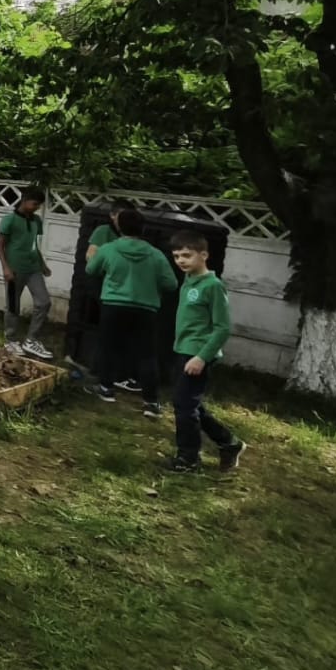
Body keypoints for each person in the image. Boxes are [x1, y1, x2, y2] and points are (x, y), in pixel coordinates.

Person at [169, 230, 246, 473]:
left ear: (203, 255)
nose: (181, 261)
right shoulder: (188, 280)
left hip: (198, 355)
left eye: (186, 255)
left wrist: (202, 357)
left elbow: (222, 328)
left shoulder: (213, 286)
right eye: (176, 256)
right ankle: (229, 442)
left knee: (184, 406)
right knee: (188, 403)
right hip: (183, 350)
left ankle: (188, 458)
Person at [87, 208, 177, 416]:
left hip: (113, 305)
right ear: (143, 229)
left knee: (109, 347)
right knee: (147, 354)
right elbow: (171, 284)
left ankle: (106, 388)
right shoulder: (155, 254)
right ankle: (151, 402)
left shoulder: (109, 249)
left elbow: (91, 269)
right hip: (146, 308)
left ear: (119, 227)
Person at [81, 198, 137, 384]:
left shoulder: (131, 235)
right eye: (123, 216)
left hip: (122, 288)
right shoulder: (103, 231)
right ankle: (100, 372)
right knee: (108, 329)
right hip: (104, 286)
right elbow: (90, 257)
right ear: (113, 216)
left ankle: (111, 370)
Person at [0, 186, 53, 362]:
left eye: (39, 205)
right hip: (14, 269)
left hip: (33, 269)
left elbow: (34, 245)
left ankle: (31, 340)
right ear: (24, 200)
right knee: (13, 305)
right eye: (35, 204)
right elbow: (0, 245)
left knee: (44, 302)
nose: (37, 207)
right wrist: (6, 268)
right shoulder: (10, 220)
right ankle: (10, 340)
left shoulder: (36, 220)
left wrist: (42, 264)